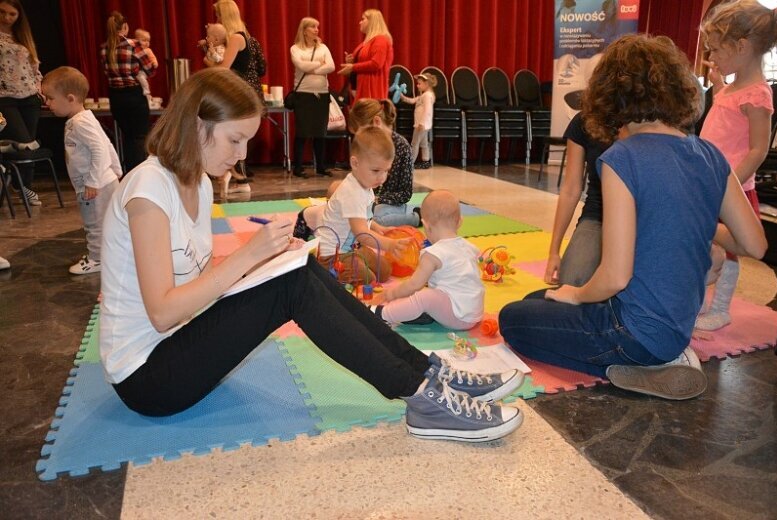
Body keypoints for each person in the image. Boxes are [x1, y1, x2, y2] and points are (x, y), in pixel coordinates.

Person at [99, 67, 523, 443]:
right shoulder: (149, 189)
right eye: (235, 139)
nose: (241, 154)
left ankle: (428, 375)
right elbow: (162, 312)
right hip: (148, 377)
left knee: (297, 267)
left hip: (178, 344)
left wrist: (266, 263)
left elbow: (193, 275)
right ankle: (421, 397)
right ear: (196, 124)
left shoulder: (200, 182)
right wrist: (248, 259)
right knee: (293, 283)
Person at [498, 34, 767, 401]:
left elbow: (615, 275)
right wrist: (697, 223)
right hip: (676, 328)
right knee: (538, 296)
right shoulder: (709, 154)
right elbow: (754, 244)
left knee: (513, 319)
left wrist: (577, 295)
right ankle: (665, 356)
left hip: (630, 332)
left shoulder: (623, 157)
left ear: (612, 96)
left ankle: (643, 367)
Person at [696, 0, 777, 331]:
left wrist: (729, 187)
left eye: (717, 50)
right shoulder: (732, 88)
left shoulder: (758, 95)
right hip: (711, 185)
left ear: (741, 47)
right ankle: (696, 303)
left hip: (733, 189)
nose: (712, 57)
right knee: (704, 246)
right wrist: (718, 85)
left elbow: (758, 150)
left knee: (727, 253)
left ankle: (720, 307)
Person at [41, 67, 121, 275]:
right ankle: (110, 255)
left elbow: (99, 147)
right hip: (104, 181)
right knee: (108, 222)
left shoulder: (79, 123)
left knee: (94, 224)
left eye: (50, 98)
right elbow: (106, 142)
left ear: (70, 98)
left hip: (94, 186)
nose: (47, 103)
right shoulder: (86, 118)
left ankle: (96, 259)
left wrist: (93, 182)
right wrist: (115, 169)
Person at [371, 191, 486, 330]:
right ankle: (423, 314)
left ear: (426, 225)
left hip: (458, 316)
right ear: (460, 221)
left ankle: (381, 314)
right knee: (430, 295)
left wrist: (391, 294)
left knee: (425, 297)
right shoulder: (469, 247)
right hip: (474, 313)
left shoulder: (433, 254)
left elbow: (414, 285)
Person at [314, 126, 410, 285]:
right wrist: (389, 245)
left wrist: (378, 227)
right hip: (331, 256)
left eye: (386, 171)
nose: (382, 178)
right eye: (376, 170)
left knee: (385, 271)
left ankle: (355, 263)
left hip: (353, 249)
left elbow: (363, 218)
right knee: (368, 279)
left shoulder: (366, 184)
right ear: (355, 163)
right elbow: (361, 233)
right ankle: (322, 273)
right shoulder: (352, 192)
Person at [544, 111, 613, 287]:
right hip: (597, 215)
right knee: (572, 280)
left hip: (641, 219)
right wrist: (554, 251)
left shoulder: (648, 118)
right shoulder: (585, 120)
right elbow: (571, 189)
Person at [206, 0, 256, 195]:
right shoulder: (242, 36)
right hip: (238, 91)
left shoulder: (236, 37)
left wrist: (207, 62)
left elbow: (223, 69)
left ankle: (237, 177)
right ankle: (234, 176)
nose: (217, 20)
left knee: (234, 136)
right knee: (234, 136)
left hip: (237, 93)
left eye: (218, 16)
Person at [100, 11, 157, 173]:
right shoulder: (133, 45)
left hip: (116, 97)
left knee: (128, 138)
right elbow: (150, 69)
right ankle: (140, 174)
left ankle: (130, 172)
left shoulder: (104, 49)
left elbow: (107, 73)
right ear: (125, 27)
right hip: (133, 95)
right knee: (139, 137)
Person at [349, 98, 420, 227]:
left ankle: (415, 218)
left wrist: (379, 199)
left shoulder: (402, 147)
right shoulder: (366, 145)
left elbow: (405, 194)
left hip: (391, 205)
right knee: (350, 218)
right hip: (369, 202)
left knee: (374, 222)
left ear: (376, 122)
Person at [0, 0, 42, 205]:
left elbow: (34, 66)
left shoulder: (23, 37)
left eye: (12, 14)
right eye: (2, 12)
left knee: (30, 145)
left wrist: (40, 89)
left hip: (30, 97)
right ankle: (18, 185)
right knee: (23, 143)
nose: (6, 18)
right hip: (5, 98)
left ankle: (26, 186)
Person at [289, 17, 335, 179]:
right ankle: (298, 167)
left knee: (320, 133)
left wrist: (312, 67)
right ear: (304, 30)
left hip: (322, 94)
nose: (316, 30)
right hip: (303, 94)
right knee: (302, 132)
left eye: (317, 27)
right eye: (313, 27)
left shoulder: (323, 48)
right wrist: (319, 64)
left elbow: (331, 66)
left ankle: (321, 167)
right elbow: (301, 66)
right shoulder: (295, 49)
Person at [338, 9, 393, 101]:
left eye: (363, 19)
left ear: (372, 21)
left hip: (371, 90)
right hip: (361, 88)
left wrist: (353, 67)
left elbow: (376, 64)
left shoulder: (380, 40)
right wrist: (352, 61)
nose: (360, 22)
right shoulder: (368, 41)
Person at [400, 73, 436, 168]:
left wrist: (422, 123)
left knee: (414, 143)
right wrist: (402, 96)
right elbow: (412, 101)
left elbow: (427, 110)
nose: (417, 85)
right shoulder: (423, 95)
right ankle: (426, 161)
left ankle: (410, 163)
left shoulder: (427, 95)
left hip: (421, 125)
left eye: (419, 83)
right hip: (423, 125)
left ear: (426, 84)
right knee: (423, 143)